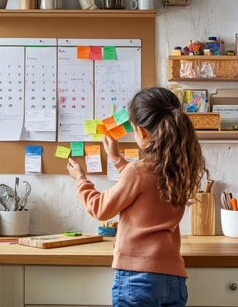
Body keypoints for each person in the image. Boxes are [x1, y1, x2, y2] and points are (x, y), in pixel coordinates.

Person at [67, 87, 208, 307]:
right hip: (174, 280)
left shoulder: (139, 172)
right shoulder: (178, 170)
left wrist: (80, 179)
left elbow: (99, 208)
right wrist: (117, 160)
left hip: (138, 278)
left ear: (141, 132)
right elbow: (144, 186)